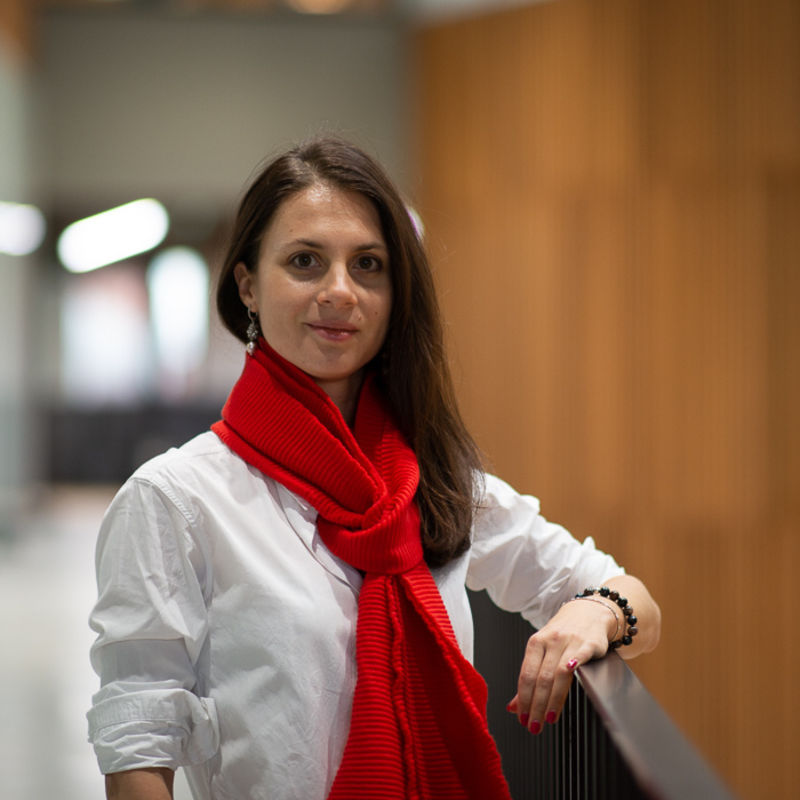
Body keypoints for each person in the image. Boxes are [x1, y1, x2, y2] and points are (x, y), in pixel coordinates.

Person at [87, 136, 660, 800]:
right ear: (247, 285)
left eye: (368, 265)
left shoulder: (434, 483)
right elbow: (139, 744)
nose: (340, 291)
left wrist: (598, 612)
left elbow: (636, 603)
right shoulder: (176, 499)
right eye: (305, 261)